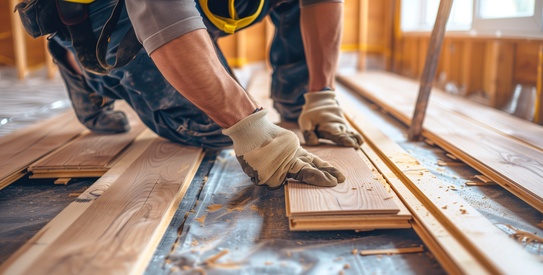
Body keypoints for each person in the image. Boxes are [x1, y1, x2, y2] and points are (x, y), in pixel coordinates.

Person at [18, 0, 363, 188]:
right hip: (100, 13)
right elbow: (160, 10)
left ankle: (297, 98)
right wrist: (253, 131)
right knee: (212, 128)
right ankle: (83, 66)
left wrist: (320, 94)